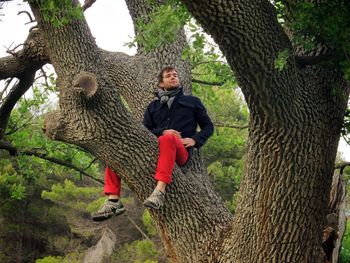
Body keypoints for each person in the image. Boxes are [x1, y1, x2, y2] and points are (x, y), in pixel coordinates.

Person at [92, 66, 214, 221]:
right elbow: (144, 130)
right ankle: (113, 200)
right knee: (118, 149)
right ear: (161, 84)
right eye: (169, 76)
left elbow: (209, 126)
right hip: (155, 151)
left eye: (175, 75)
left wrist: (195, 139)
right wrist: (163, 131)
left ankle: (159, 192)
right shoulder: (153, 106)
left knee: (168, 139)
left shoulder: (192, 102)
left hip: (179, 152)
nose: (173, 77)